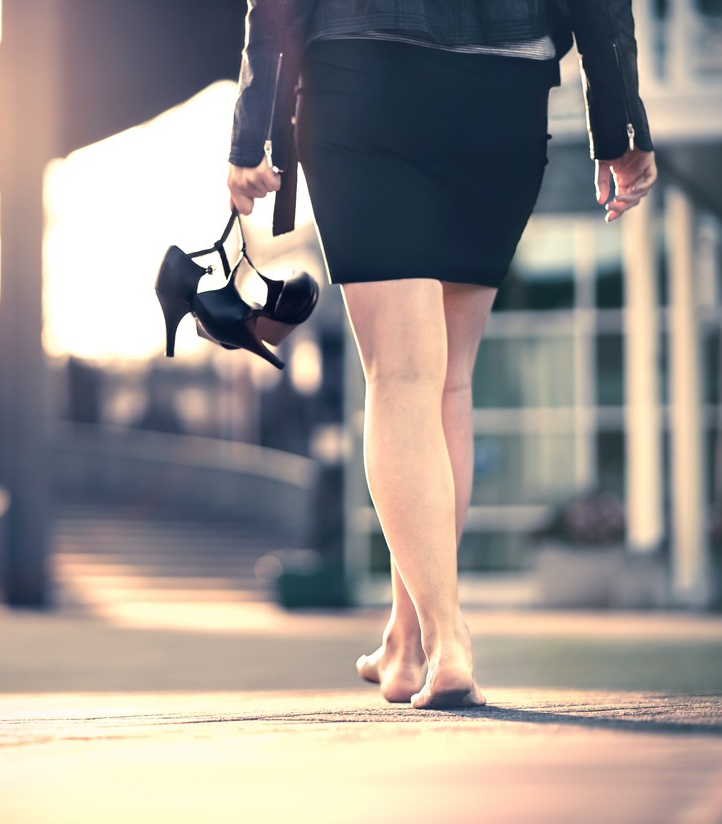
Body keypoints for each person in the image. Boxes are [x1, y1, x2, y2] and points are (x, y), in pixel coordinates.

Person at [226, 0, 657, 708]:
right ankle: (406, 642)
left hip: (365, 72)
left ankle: (447, 639)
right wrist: (621, 122)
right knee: (447, 382)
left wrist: (252, 130)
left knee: (401, 376)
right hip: (504, 92)